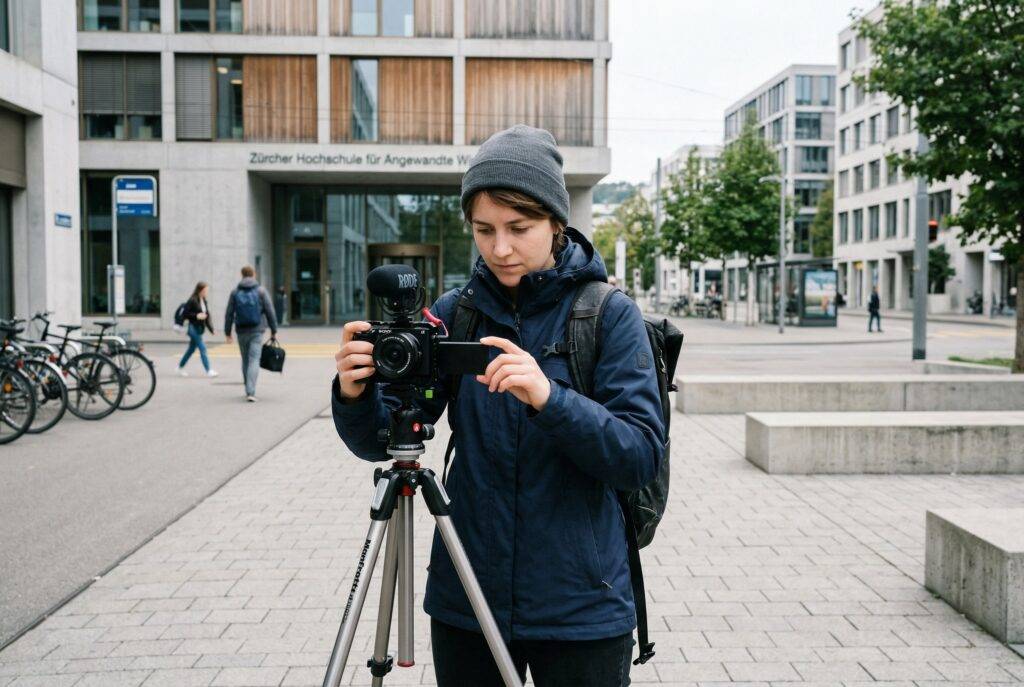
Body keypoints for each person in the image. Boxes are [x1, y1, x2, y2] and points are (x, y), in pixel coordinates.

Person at [332, 125, 666, 687]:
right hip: (468, 595)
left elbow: (638, 457)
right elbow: (386, 444)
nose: (500, 248)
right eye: (483, 230)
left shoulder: (608, 316)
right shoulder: (454, 313)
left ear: (557, 223)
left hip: (582, 605)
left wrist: (549, 398)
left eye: (520, 228)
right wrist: (354, 392)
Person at [224, 265, 278, 402]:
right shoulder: (261, 291)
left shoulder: (235, 292)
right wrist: (274, 330)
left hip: (241, 331)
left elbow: (229, 313)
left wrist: (227, 332)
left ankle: (247, 388)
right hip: (257, 331)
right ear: (253, 274)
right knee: (254, 359)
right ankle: (251, 391)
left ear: (242, 275)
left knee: (245, 360)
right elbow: (270, 311)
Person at [177, 281, 218, 377]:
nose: (206, 292)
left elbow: (207, 316)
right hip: (193, 328)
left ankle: (179, 367)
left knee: (191, 350)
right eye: (205, 290)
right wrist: (196, 316)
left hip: (199, 328)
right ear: (200, 290)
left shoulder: (203, 300)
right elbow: (185, 314)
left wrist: (212, 329)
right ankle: (209, 371)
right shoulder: (192, 300)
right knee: (202, 348)